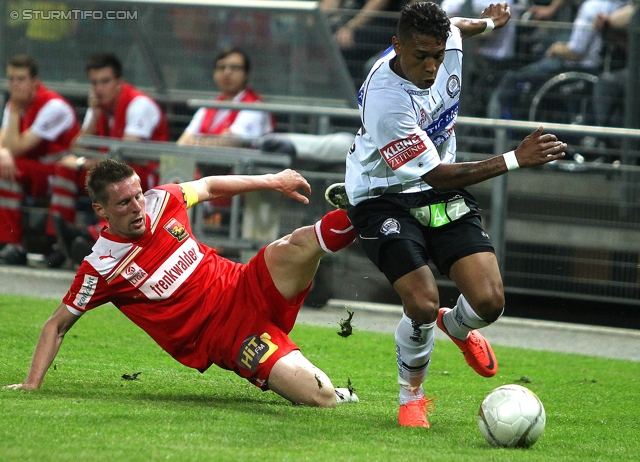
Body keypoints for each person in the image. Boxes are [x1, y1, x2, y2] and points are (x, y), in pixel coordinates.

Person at [325, 1, 567, 428]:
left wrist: (492, 22)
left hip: (437, 190)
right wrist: (515, 158)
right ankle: (411, 396)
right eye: (421, 56)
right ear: (397, 45)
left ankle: (455, 326)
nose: (432, 66)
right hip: (384, 195)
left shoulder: (445, 39)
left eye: (438, 54)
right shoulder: (386, 100)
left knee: (490, 303)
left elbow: (457, 25)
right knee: (420, 302)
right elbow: (437, 175)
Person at [4, 158, 359, 408]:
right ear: (101, 211)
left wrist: (272, 180)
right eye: (124, 202)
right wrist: (32, 383)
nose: (138, 207)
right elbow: (57, 325)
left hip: (244, 282)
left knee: (295, 245)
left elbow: (208, 186)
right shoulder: (101, 268)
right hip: (230, 335)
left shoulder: (163, 200)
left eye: (138, 195)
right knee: (320, 396)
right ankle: (326, 387)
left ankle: (368, 207)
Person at [46, 53, 171, 266]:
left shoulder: (138, 104)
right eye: (94, 83)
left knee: (114, 180)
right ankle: (60, 241)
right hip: (111, 171)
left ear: (119, 83)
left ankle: (93, 239)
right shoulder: (99, 108)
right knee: (65, 169)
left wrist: (82, 163)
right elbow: (76, 147)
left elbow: (126, 154)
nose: (99, 88)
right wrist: (94, 114)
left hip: (146, 176)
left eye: (105, 82)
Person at [488, 0, 628, 120]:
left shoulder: (592, 8)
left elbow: (575, 52)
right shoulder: (622, 8)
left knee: (513, 77)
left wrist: (555, 49)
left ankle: (503, 131)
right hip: (601, 63)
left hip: (578, 66)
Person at [0, 54, 80, 265]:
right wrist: (3, 153)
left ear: (35, 82)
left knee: (8, 166)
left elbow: (17, 148)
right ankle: (10, 243)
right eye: (11, 79)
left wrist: (7, 151)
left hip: (61, 171)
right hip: (35, 170)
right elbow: (4, 144)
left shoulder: (53, 107)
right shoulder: (14, 105)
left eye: (21, 79)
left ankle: (55, 245)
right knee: (4, 165)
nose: (15, 85)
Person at [177, 47, 274, 148]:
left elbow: (230, 144)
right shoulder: (209, 105)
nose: (227, 73)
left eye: (234, 68)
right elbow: (182, 142)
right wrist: (215, 141)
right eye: (222, 68)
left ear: (246, 74)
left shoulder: (255, 106)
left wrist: (195, 141)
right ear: (214, 74)